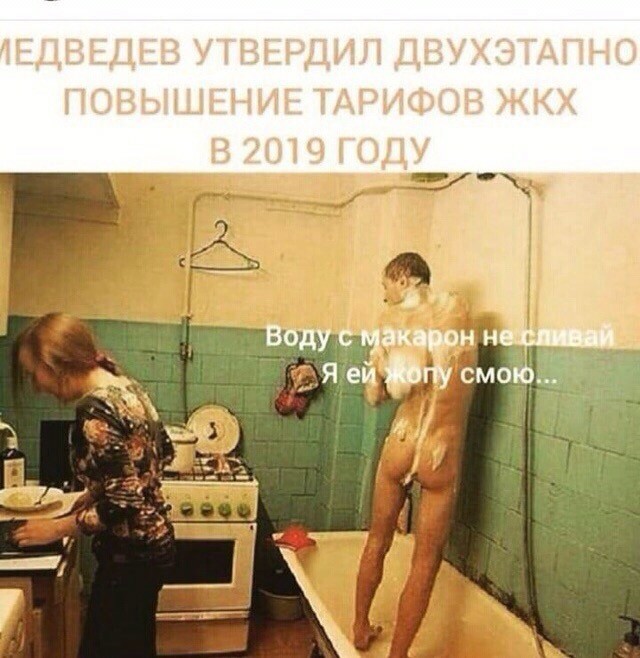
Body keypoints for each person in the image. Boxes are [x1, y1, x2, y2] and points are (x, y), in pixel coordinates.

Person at [10, 312, 176, 658]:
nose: (37, 385)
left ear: (54, 364)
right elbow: (161, 453)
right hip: (154, 548)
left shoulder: (95, 410)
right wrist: (96, 492)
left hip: (130, 558)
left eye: (33, 373)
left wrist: (56, 528)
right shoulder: (125, 386)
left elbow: (124, 502)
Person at [353, 253, 477, 658]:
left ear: (404, 278)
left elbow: (377, 393)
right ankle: (398, 655)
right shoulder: (457, 311)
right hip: (440, 450)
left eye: (386, 286)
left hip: (402, 441)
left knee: (377, 540)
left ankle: (359, 629)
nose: (384, 295)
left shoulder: (392, 322)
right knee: (425, 562)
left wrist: (384, 366)